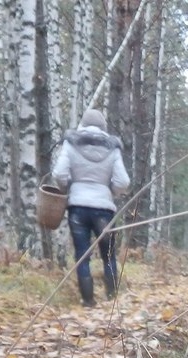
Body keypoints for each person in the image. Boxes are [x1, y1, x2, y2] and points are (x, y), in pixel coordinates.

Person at [50, 109, 130, 307]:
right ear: (103, 126)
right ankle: (112, 301)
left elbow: (59, 174)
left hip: (77, 207)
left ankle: (88, 301)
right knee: (109, 255)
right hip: (104, 208)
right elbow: (123, 181)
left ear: (83, 125)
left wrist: (69, 186)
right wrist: (109, 190)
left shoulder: (71, 143)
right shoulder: (113, 147)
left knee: (82, 255)